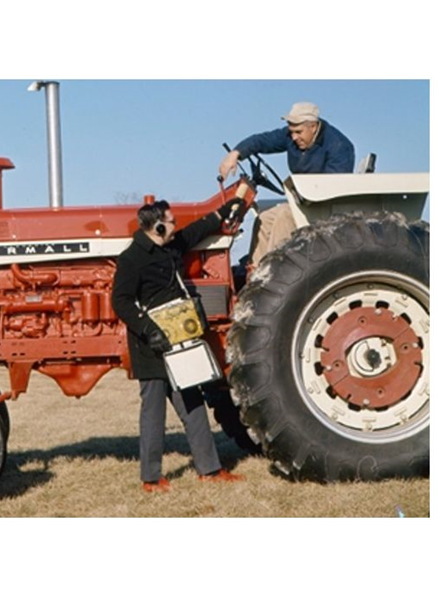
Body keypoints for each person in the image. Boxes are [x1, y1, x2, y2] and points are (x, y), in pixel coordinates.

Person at [112, 200, 246, 493]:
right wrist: (149, 330)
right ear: (157, 226)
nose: (175, 226)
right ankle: (150, 478)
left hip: (180, 339)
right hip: (151, 344)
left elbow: (196, 231)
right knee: (153, 410)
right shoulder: (131, 258)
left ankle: (209, 470)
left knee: (193, 403)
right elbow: (120, 301)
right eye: (171, 222)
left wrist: (223, 212)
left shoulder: (170, 246)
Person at [219, 102, 355, 265]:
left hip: (323, 206)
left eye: (299, 132)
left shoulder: (338, 146)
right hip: (301, 200)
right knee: (264, 218)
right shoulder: (292, 137)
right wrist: (236, 153)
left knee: (284, 216)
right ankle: (254, 271)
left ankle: (274, 271)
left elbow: (332, 188)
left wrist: (302, 200)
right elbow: (262, 141)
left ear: (313, 127)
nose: (294, 137)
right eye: (291, 132)